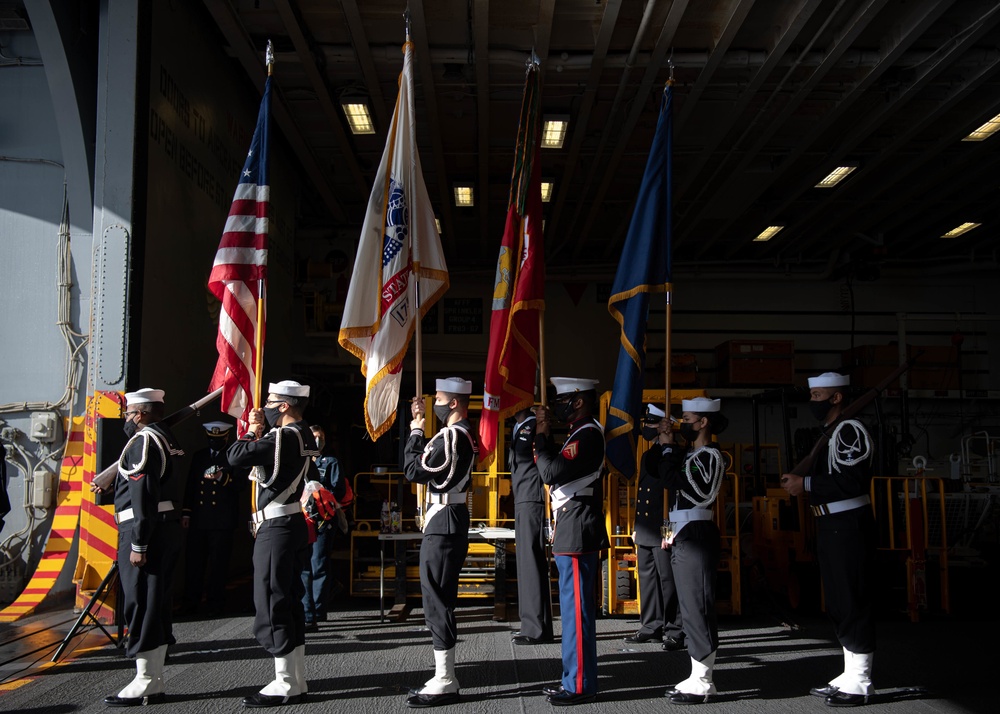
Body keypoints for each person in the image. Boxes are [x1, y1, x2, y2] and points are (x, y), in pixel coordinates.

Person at [780, 372, 876, 708]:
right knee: (838, 601)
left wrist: (804, 485)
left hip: (848, 523)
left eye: (819, 395)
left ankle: (862, 679)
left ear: (837, 397)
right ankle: (850, 672)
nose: (813, 402)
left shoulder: (850, 430)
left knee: (852, 599)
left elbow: (851, 481)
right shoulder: (832, 432)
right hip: (831, 523)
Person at [227, 381, 318, 708]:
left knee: (272, 597)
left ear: (284, 406)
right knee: (290, 598)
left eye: (270, 401)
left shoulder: (280, 437)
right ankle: (295, 677)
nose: (264, 405)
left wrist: (252, 429)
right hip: (291, 522)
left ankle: (284, 681)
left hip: (277, 525)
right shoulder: (304, 434)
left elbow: (236, 456)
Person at [103, 388, 184, 707]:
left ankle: (146, 680)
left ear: (141, 413)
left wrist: (139, 542)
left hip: (146, 531)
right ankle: (153, 678)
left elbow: (143, 497)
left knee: (142, 603)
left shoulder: (144, 441)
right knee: (156, 603)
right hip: (164, 529)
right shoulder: (166, 438)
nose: (126, 420)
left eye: (128, 414)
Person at [534, 377, 609, 706]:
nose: (558, 406)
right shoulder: (580, 433)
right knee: (574, 612)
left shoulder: (587, 434)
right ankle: (576, 678)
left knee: (576, 614)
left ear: (578, 401)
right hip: (573, 526)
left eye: (563, 400)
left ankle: (579, 685)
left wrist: (540, 437)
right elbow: (558, 468)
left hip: (577, 528)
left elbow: (551, 472)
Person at [403, 377, 476, 708]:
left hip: (444, 521)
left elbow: (413, 470)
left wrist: (416, 432)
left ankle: (446, 678)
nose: (434, 403)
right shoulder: (463, 435)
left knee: (436, 598)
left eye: (440, 398)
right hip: (450, 518)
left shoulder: (450, 436)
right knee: (439, 596)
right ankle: (443, 674)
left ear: (454, 404)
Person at [653, 396, 727, 705]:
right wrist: (667, 533)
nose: (682, 423)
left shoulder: (709, 456)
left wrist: (670, 448)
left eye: (686, 418)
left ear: (703, 422)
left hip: (697, 532)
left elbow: (685, 486)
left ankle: (704, 679)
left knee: (698, 606)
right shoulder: (691, 454)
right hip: (682, 532)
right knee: (688, 606)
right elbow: (670, 489)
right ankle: (697, 673)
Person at [628, 403, 685, 652]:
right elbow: (643, 493)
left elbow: (672, 494)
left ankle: (675, 629)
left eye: (652, 423)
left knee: (669, 580)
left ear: (665, 425)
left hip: (664, 526)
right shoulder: (650, 453)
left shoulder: (676, 454)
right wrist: (637, 526)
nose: (646, 427)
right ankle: (651, 625)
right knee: (648, 579)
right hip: (647, 526)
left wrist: (669, 529)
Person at [181, 421, 243, 617]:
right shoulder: (200, 456)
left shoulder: (233, 456)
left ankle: (215, 603)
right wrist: (186, 512)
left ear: (225, 437)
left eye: (217, 439)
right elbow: (191, 485)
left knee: (218, 565)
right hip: (199, 518)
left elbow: (240, 485)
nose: (214, 443)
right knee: (194, 563)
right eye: (211, 439)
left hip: (222, 520)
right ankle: (191, 602)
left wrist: (220, 478)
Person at [509, 407, 554, 645]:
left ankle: (534, 628)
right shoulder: (517, 427)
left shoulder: (534, 425)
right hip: (523, 498)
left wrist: (541, 430)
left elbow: (544, 456)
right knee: (528, 564)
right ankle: (538, 626)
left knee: (530, 564)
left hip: (532, 498)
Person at [300, 425, 343, 628]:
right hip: (303, 519)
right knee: (304, 566)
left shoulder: (331, 462)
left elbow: (338, 490)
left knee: (319, 564)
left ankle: (318, 610)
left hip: (323, 520)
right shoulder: (300, 461)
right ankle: (307, 613)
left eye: (321, 437)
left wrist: (320, 493)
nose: (317, 441)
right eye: (314, 437)